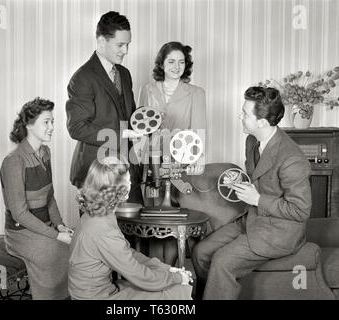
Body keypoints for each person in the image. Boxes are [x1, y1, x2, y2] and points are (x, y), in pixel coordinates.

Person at [191, 86, 312, 300]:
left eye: (245, 113)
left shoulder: (292, 158)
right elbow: (257, 178)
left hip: (279, 231)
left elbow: (300, 210)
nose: (240, 116)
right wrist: (237, 181)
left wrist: (257, 199)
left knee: (222, 262)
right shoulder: (252, 141)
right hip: (252, 220)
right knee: (200, 253)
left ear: (262, 122)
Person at [68, 157, 193, 300]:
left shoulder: (98, 213)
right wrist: (176, 278)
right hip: (96, 297)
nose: (131, 183)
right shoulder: (102, 227)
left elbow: (127, 253)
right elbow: (138, 274)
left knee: (173, 288)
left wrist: (167, 269)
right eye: (127, 180)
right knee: (177, 292)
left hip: (103, 290)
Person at [137, 41, 207, 266]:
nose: (176, 66)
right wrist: (139, 154)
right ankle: (155, 272)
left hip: (181, 163)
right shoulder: (147, 90)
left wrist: (198, 158)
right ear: (162, 63)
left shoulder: (196, 93)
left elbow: (199, 129)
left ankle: (170, 270)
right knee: (153, 216)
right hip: (152, 163)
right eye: (171, 61)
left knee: (175, 217)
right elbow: (140, 128)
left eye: (181, 62)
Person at [66, 11, 142, 209]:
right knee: (99, 236)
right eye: (120, 45)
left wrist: (145, 122)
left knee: (132, 235)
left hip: (127, 169)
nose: (125, 50)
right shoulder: (82, 78)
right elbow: (77, 128)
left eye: (128, 45)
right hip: (96, 172)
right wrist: (123, 134)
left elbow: (129, 116)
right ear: (101, 41)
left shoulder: (124, 74)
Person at [0, 98, 73, 300]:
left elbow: (50, 197)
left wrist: (60, 226)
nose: (52, 127)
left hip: (45, 226)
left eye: (52, 122)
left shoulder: (45, 153)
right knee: (55, 252)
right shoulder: (14, 160)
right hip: (20, 233)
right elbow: (20, 214)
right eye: (46, 122)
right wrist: (56, 236)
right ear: (29, 125)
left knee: (74, 243)